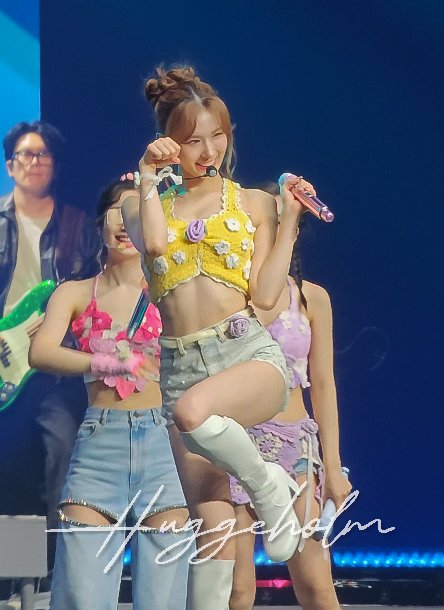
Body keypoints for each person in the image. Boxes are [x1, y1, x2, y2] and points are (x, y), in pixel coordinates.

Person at [122, 65, 315, 610]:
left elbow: (268, 295)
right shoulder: (138, 203)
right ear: (167, 142)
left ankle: (267, 486)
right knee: (213, 531)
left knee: (191, 412)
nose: (209, 151)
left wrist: (289, 218)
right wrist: (146, 174)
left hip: (246, 355)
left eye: (218, 135)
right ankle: (266, 485)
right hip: (182, 365)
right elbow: (154, 247)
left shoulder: (251, 202)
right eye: (193, 141)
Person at [29, 177, 189, 610]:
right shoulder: (76, 292)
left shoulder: (174, 293)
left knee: (164, 598)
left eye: (134, 213)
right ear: (100, 223)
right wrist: (101, 363)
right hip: (100, 444)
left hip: (165, 444)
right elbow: (40, 352)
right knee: (83, 596)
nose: (123, 223)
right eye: (116, 212)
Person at [229, 187, 352, 610]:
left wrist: (332, 468)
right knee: (236, 588)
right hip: (233, 442)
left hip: (292, 446)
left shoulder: (311, 297)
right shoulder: (227, 296)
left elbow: (324, 384)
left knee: (316, 584)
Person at [0, 120, 100, 571]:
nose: (34, 162)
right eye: (25, 154)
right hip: (4, 364)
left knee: (60, 463)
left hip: (53, 370)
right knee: (10, 471)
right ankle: (16, 577)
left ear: (55, 165)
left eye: (44, 155)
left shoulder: (78, 226)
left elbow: (95, 291)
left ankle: (54, 578)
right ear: (9, 165)